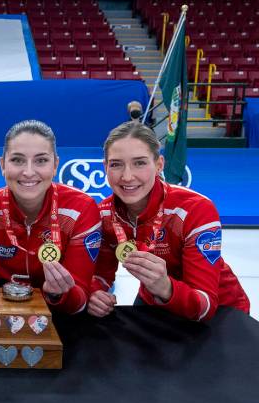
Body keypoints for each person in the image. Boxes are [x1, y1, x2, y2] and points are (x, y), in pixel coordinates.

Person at [88, 121, 250, 321]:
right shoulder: (104, 214)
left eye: (140, 162)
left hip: (220, 310)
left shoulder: (194, 209)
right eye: (116, 164)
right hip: (154, 299)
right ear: (105, 167)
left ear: (159, 164)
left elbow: (205, 306)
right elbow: (101, 275)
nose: (127, 176)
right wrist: (95, 293)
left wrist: (166, 287)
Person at [0, 120, 102, 314]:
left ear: (55, 164)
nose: (29, 172)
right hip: (0, 301)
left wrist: (59, 294)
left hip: (60, 307)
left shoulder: (81, 210)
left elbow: (79, 302)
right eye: (17, 160)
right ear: (2, 165)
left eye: (41, 160)